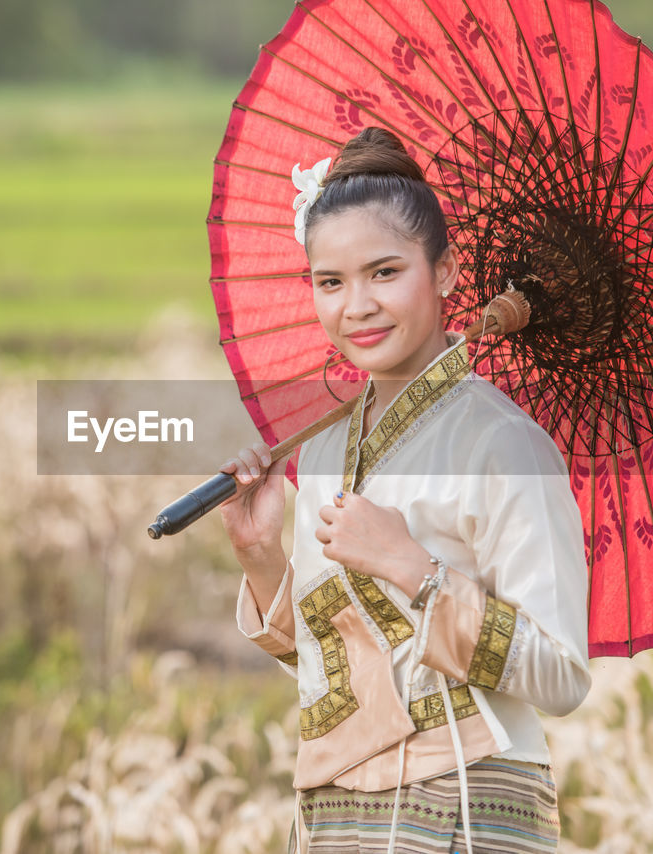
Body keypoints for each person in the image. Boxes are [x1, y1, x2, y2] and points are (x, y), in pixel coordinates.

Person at [217, 127, 591, 854]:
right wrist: (262, 559)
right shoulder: (325, 449)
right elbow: (348, 669)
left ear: (446, 271)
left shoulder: (501, 445)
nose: (356, 306)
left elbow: (562, 674)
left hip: (468, 803)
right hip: (338, 814)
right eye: (331, 281)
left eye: (384, 272)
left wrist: (414, 572)